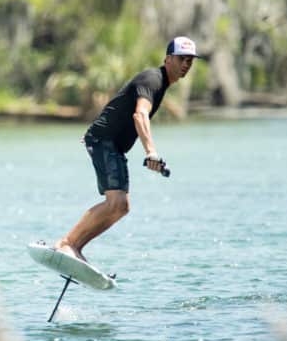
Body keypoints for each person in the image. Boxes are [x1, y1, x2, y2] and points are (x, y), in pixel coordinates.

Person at [53, 36, 201, 262]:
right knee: (115, 202)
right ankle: (67, 244)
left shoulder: (162, 85)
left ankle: (75, 248)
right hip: (104, 140)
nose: (186, 65)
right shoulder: (153, 79)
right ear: (168, 59)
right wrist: (151, 151)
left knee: (121, 206)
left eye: (190, 61)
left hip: (113, 145)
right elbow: (139, 114)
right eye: (182, 59)